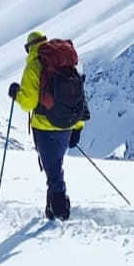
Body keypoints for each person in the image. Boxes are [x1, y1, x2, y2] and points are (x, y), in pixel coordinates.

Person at [8, 29, 84, 221]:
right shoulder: (66, 63)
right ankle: (50, 210)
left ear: (29, 47)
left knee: (54, 174)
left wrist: (16, 93)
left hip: (44, 127)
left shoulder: (34, 66)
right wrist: (77, 126)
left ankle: (60, 213)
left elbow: (29, 103)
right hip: (67, 126)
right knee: (55, 168)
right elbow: (78, 99)